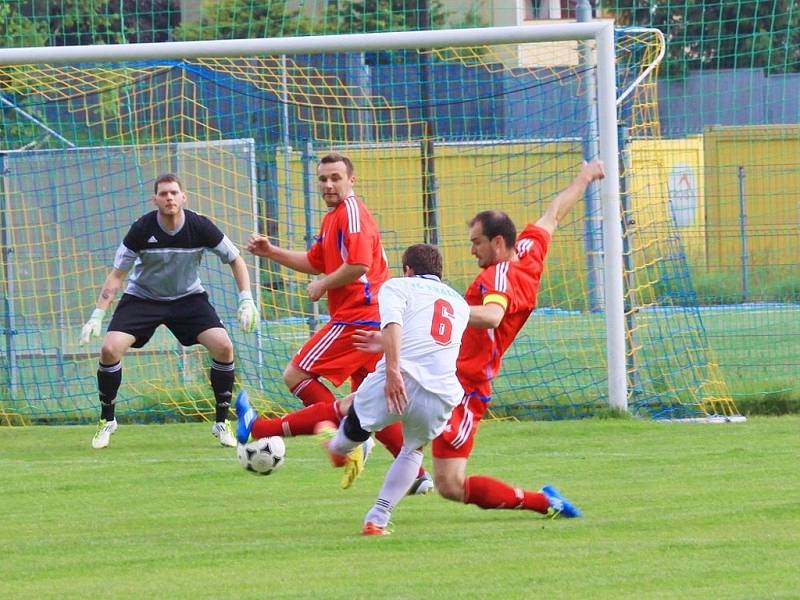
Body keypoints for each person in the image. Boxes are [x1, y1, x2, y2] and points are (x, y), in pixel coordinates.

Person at [352, 159, 606, 518]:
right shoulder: (529, 252)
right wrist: (584, 177)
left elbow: (492, 317)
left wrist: (439, 310)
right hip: (442, 370)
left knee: (450, 483)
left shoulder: (498, 280)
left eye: (477, 243)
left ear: (498, 242)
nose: (472, 251)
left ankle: (544, 502)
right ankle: (366, 487)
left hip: (466, 388)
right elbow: (554, 214)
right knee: (371, 405)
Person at [238, 153, 431, 492]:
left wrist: (323, 285)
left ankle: (327, 439)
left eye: (335, 178)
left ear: (350, 180)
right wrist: (271, 252)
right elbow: (315, 262)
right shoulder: (333, 218)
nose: (328, 184)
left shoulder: (352, 213)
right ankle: (416, 476)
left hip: (359, 316)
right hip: (371, 319)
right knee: (370, 400)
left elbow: (358, 264)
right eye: (323, 179)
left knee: (296, 375)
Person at [79, 173, 259, 449]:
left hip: (188, 299)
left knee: (224, 346)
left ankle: (222, 424)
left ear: (183, 197)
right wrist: (97, 315)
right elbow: (117, 275)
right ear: (155, 200)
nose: (169, 198)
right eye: (163, 194)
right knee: (109, 350)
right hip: (143, 298)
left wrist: (246, 299)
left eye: (174, 193)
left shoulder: (200, 226)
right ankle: (107, 421)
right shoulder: (141, 229)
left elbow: (236, 259)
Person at [317, 243, 470, 535]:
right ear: (439, 273)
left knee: (354, 421)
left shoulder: (397, 286)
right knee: (413, 450)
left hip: (404, 373)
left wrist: (392, 370)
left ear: (408, 270)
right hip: (442, 389)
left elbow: (393, 324)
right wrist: (385, 344)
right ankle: (377, 518)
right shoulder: (458, 302)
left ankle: (342, 448)